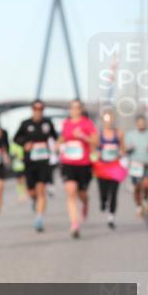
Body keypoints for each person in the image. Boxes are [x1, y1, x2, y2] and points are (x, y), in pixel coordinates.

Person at [13, 99, 58, 232]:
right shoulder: (25, 124)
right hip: (29, 162)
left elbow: (55, 138)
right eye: (36, 109)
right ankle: (34, 200)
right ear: (32, 110)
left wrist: (56, 147)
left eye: (41, 109)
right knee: (32, 191)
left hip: (44, 161)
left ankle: (39, 218)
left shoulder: (47, 123)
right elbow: (16, 138)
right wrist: (25, 144)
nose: (38, 111)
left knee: (41, 189)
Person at [59, 99, 98, 238]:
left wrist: (83, 136)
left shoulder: (87, 124)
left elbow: (95, 141)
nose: (75, 110)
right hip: (68, 163)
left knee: (82, 193)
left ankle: (85, 202)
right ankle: (74, 224)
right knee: (70, 190)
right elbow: (62, 138)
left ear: (81, 109)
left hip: (84, 164)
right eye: (72, 108)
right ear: (70, 110)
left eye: (77, 108)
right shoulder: (66, 124)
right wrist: (57, 145)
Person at [93, 110, 124, 229]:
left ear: (113, 120)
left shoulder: (119, 134)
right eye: (106, 119)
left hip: (115, 167)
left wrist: (121, 153)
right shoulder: (98, 135)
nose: (108, 122)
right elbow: (94, 149)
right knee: (103, 192)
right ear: (102, 121)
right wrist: (96, 156)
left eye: (110, 119)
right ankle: (103, 200)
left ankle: (111, 217)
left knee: (114, 193)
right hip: (102, 168)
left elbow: (123, 149)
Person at [123, 114, 148, 218]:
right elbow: (126, 149)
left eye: (143, 123)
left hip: (147, 163)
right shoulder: (130, 134)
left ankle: (145, 199)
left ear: (145, 123)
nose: (141, 124)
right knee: (136, 187)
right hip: (135, 164)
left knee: (147, 184)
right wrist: (130, 148)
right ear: (136, 124)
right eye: (139, 123)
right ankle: (138, 206)